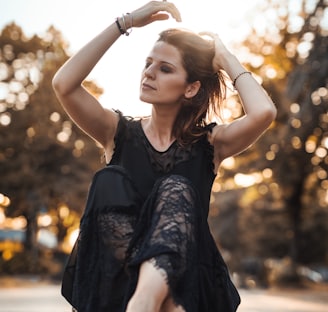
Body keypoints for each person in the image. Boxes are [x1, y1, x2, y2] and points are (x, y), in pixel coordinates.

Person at [52, 1, 277, 312]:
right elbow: (64, 85)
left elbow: (264, 112)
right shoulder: (116, 132)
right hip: (117, 287)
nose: (149, 73)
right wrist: (125, 22)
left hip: (187, 288)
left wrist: (225, 57)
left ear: (191, 88)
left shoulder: (211, 144)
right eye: (149, 63)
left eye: (165, 68)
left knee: (176, 189)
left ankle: (148, 303)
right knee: (109, 179)